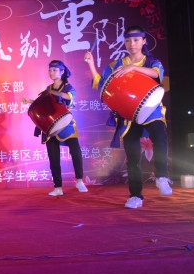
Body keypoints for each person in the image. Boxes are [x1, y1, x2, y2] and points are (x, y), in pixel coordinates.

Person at [84, 25, 172, 209]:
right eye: (128, 40)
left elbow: (157, 75)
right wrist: (91, 64)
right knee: (133, 157)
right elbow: (102, 84)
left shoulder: (151, 61)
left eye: (136, 40)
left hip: (151, 108)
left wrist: (132, 68)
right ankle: (136, 196)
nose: (132, 44)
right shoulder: (117, 64)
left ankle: (162, 177)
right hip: (128, 114)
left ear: (144, 41)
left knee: (160, 137)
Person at [23, 60, 88, 196]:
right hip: (50, 126)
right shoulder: (49, 88)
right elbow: (44, 105)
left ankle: (79, 180)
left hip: (66, 124)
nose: (51, 73)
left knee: (75, 151)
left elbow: (68, 97)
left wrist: (51, 92)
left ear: (62, 71)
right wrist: (30, 101)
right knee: (53, 157)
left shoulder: (67, 87)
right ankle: (58, 187)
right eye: (50, 70)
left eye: (55, 70)